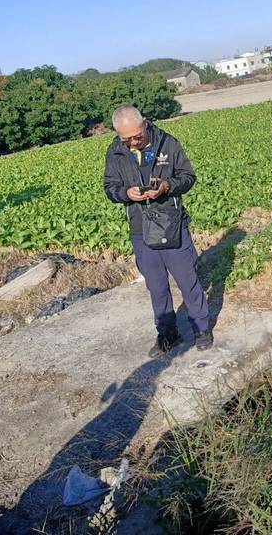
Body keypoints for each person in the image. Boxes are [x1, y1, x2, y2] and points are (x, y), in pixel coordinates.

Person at [103, 105, 212, 355]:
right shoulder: (115, 151)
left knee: (188, 280)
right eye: (126, 139)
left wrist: (166, 186)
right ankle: (167, 333)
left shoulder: (167, 143)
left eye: (137, 136)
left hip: (171, 224)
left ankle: (202, 328)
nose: (133, 142)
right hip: (141, 229)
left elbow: (188, 177)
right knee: (156, 285)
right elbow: (110, 187)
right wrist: (125, 193)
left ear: (145, 124)